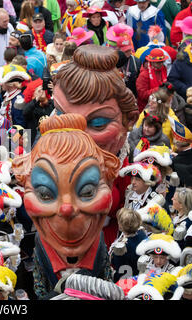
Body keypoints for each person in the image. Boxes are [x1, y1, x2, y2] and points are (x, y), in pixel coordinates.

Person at [12, 113, 121, 299]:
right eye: (45, 194)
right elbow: (39, 283)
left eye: (87, 191)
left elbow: (106, 281)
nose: (66, 209)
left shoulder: (99, 240)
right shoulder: (41, 242)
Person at [50, 44, 139, 249]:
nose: (76, 135)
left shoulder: (126, 168)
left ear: (129, 120)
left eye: (97, 123)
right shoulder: (49, 151)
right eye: (62, 116)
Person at [109, 208, 147, 282]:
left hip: (126, 282)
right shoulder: (141, 232)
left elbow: (120, 269)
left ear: (120, 226)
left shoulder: (121, 248)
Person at [22, 78, 54, 144]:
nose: (41, 92)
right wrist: (37, 98)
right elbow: (25, 112)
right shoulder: (32, 107)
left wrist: (55, 91)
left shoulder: (51, 104)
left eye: (42, 89)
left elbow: (61, 106)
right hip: (36, 142)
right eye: (38, 90)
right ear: (32, 94)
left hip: (51, 140)